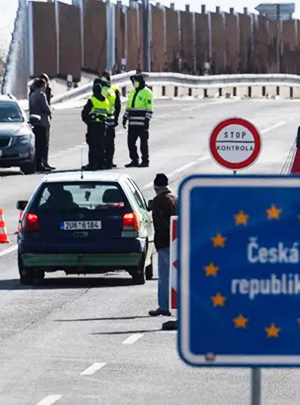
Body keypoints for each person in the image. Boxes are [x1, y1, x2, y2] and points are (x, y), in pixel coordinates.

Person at [148, 173, 177, 317]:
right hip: (179, 243)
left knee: (164, 276)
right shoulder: (176, 199)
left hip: (165, 243)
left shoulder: (158, 201)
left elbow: (159, 225)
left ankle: (164, 306)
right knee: (179, 275)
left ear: (156, 188)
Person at [122, 72, 153, 168]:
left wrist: (147, 120)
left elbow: (149, 108)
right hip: (132, 123)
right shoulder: (132, 92)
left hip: (142, 123)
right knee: (130, 143)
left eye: (135, 82)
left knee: (143, 144)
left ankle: (145, 161)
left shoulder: (147, 92)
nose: (134, 83)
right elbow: (129, 107)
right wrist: (125, 117)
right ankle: (134, 160)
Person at [81, 82, 110, 171]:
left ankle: (92, 164)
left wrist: (88, 121)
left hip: (93, 126)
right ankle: (101, 163)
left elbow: (84, 114)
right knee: (101, 146)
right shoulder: (106, 101)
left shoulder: (92, 100)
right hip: (102, 125)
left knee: (93, 146)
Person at [29, 78, 54, 172]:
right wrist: (50, 110)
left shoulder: (32, 95)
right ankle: (42, 163)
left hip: (34, 121)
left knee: (37, 144)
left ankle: (37, 163)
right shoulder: (41, 94)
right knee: (43, 144)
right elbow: (46, 108)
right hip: (43, 122)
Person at [100, 71, 121, 169]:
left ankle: (108, 161)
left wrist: (116, 118)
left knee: (108, 142)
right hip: (107, 118)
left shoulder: (111, 89)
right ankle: (107, 161)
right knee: (106, 142)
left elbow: (117, 105)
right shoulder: (110, 89)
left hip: (107, 118)